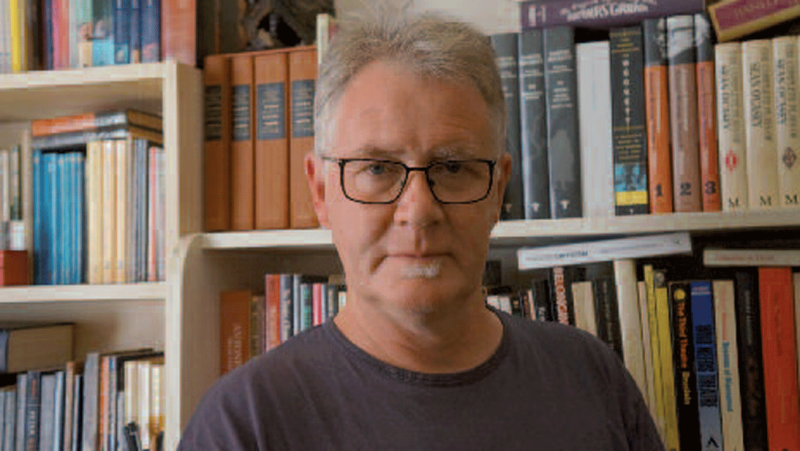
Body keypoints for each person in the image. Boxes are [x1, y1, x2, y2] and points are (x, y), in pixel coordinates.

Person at [178, 6, 664, 450]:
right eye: (377, 168)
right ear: (321, 192)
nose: (419, 210)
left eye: (452, 168)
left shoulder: (591, 378)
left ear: (498, 190)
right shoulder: (243, 424)